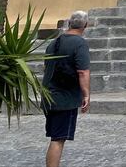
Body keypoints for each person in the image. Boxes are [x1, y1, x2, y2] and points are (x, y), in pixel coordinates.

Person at [42, 10, 91, 167]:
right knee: (58, 139)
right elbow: (83, 71)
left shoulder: (53, 43)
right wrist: (86, 95)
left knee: (56, 137)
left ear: (69, 23)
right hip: (65, 98)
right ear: (85, 25)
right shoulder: (79, 43)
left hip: (49, 95)